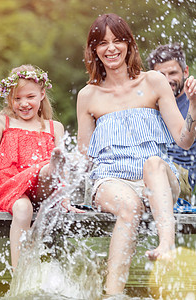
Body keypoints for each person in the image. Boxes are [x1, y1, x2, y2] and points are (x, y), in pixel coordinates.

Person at [76, 13, 196, 296]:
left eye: (118, 40)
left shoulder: (154, 81)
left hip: (157, 179)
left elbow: (184, 141)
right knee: (129, 207)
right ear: (94, 50)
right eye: (103, 43)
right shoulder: (88, 96)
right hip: (111, 180)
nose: (111, 48)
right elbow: (84, 157)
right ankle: (113, 293)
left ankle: (166, 245)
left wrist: (193, 105)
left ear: (129, 45)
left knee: (153, 163)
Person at [0, 64, 82, 269]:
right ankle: (20, 279)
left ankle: (52, 165)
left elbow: (63, 177)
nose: (23, 104)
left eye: (30, 97)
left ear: (42, 94)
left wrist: (65, 199)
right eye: (17, 98)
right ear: (10, 99)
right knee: (22, 210)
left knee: (48, 170)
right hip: (11, 185)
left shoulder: (53, 127)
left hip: (44, 188)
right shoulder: (2, 122)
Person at [147, 43, 196, 199]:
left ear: (185, 71)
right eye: (161, 75)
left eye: (173, 73)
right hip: (145, 172)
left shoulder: (193, 101)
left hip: (180, 179)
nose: (167, 80)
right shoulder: (147, 103)